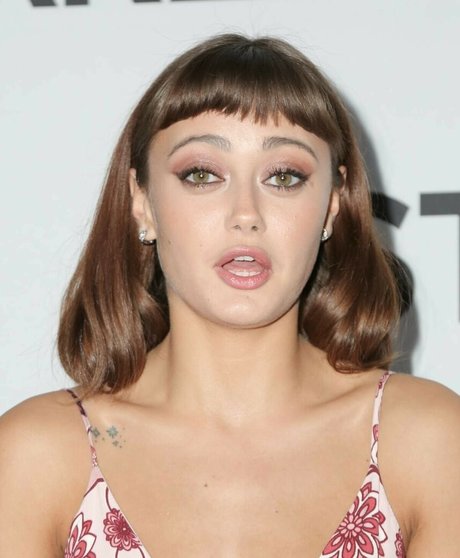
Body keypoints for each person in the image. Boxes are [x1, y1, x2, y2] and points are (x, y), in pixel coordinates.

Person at [0, 34, 459, 558]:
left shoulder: (427, 441)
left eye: (284, 176)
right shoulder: (39, 455)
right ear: (141, 201)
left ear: (333, 205)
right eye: (202, 175)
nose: (246, 214)